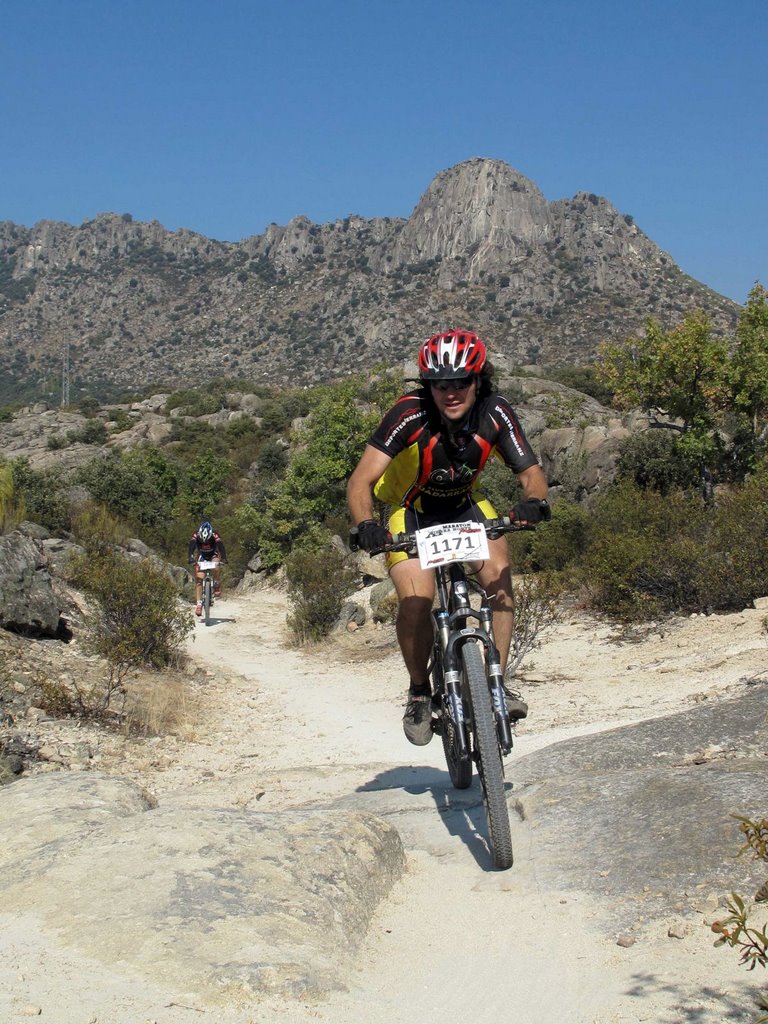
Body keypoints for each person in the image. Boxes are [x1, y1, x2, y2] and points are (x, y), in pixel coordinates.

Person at [347, 329, 550, 746]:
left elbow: (531, 474)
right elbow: (360, 480)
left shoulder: (496, 413)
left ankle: (496, 682)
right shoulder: (409, 413)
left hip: (464, 505)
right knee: (416, 601)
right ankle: (419, 692)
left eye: (461, 382)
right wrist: (366, 524)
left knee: (500, 583)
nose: (451, 392)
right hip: (412, 511)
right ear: (429, 386)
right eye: (441, 384)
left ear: (478, 380)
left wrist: (533, 502)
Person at [188, 521, 227, 617]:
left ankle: (216, 583)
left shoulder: (215, 534)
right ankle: (199, 604)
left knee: (216, 566)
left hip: (213, 554)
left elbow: (221, 545)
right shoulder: (196, 534)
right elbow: (191, 546)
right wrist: (190, 557)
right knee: (199, 579)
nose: (205, 542)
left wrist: (224, 558)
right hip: (202, 556)